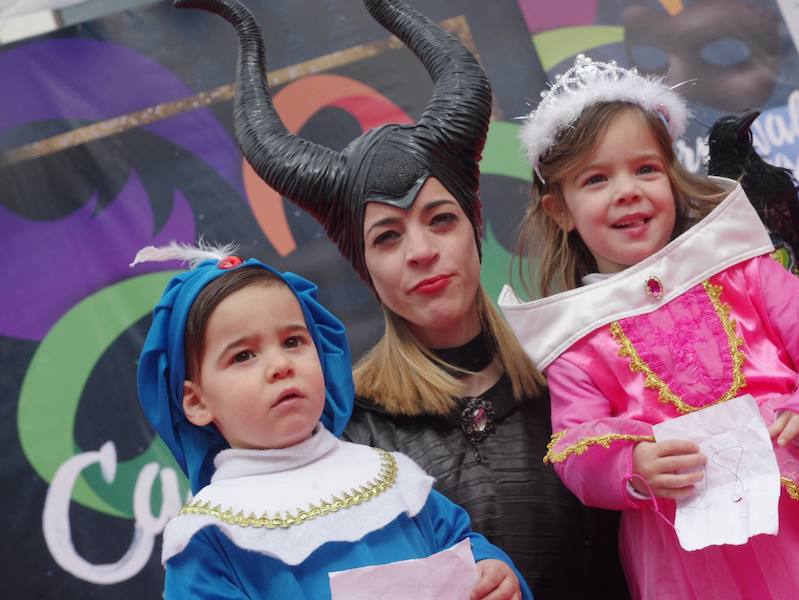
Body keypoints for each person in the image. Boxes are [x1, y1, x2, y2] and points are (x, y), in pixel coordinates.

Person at [178, 0, 630, 596]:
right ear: (364, 265)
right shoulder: (341, 437)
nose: (420, 251)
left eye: (439, 219)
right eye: (387, 237)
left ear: (473, 226)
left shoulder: (581, 364)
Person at [499, 54, 799, 599]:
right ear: (560, 210)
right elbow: (574, 443)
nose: (628, 190)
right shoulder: (577, 337)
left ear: (672, 177)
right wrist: (631, 462)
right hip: (711, 555)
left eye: (645, 169)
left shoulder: (739, 270)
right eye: (596, 179)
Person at [132, 242, 529, 600]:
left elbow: (462, 544)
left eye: (293, 341)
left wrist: (493, 571)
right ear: (196, 401)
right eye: (243, 356)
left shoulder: (387, 475)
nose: (279, 366)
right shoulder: (210, 535)